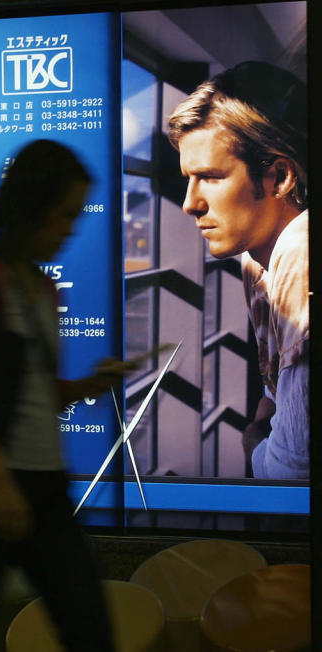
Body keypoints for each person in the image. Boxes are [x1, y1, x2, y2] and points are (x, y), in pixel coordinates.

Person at [0, 140, 121, 651]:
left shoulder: (41, 286)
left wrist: (84, 387)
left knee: (85, 621)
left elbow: (28, 393)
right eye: (63, 215)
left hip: (42, 484)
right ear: (32, 206)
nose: (70, 229)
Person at [168, 62, 308, 480]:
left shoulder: (302, 250)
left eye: (210, 177)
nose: (190, 204)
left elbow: (293, 472)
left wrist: (254, 447)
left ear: (279, 177)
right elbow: (276, 390)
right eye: (188, 180)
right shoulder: (254, 257)